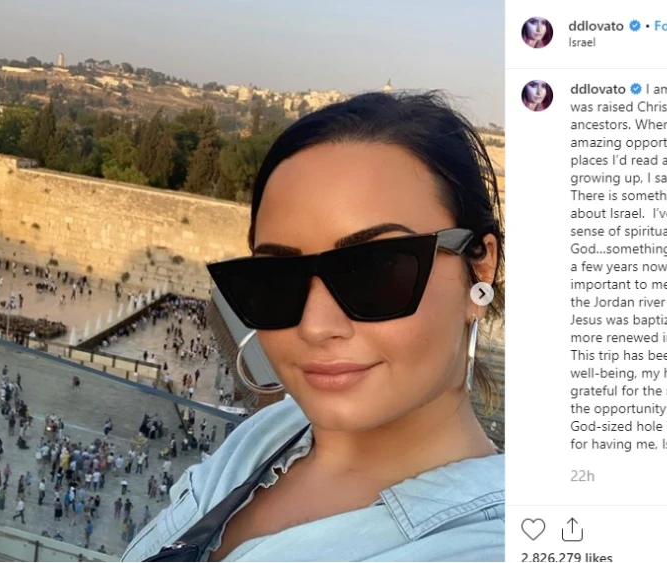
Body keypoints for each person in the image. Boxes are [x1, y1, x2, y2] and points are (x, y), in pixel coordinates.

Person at [121, 92, 504, 561]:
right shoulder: (271, 433)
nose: (315, 326)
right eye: (277, 278)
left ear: (481, 268)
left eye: (377, 270)